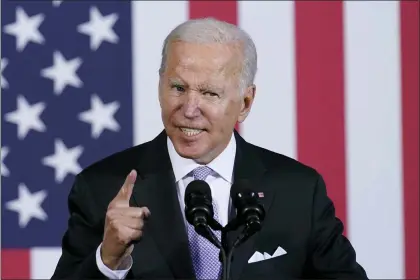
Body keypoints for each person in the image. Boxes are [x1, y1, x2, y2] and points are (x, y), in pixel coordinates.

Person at [51, 17, 368, 279]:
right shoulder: (102, 187)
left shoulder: (297, 191)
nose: (189, 109)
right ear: (160, 87)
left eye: (210, 94)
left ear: (245, 103)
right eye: (178, 88)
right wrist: (108, 261)